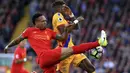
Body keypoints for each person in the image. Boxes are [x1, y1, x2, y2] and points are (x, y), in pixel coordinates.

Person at [4, 13, 107, 73]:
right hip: (44, 56)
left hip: (46, 62)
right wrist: (8, 45)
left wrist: (71, 26)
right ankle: (99, 42)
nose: (45, 22)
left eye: (45, 20)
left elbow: (62, 38)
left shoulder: (49, 32)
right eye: (42, 21)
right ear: (36, 23)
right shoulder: (29, 31)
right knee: (73, 50)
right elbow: (18, 39)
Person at [52, 0, 96, 73]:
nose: (65, 8)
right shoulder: (57, 16)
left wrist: (71, 15)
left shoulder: (64, 19)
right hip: (64, 51)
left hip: (72, 49)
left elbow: (77, 27)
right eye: (64, 7)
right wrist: (77, 20)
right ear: (58, 8)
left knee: (90, 68)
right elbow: (64, 31)